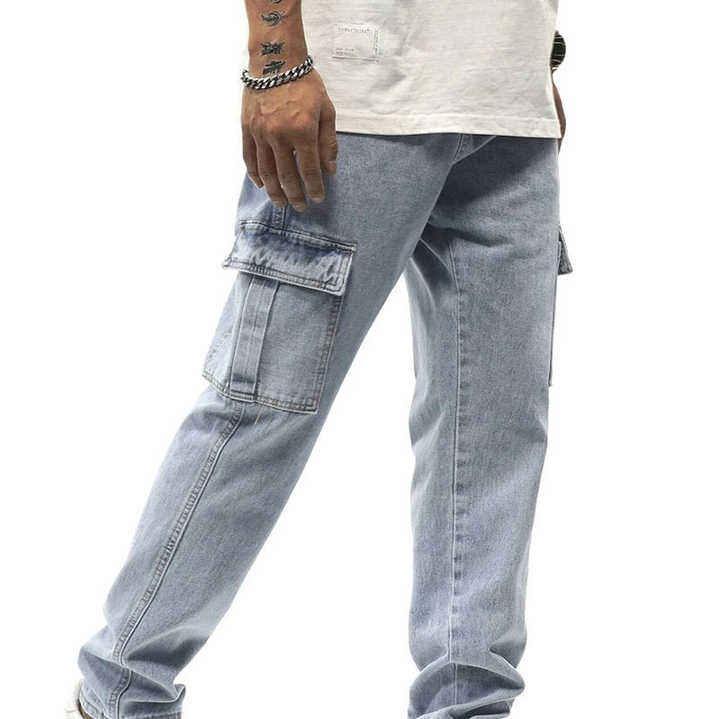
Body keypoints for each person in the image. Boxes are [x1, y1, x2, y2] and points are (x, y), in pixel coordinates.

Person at [67, 1, 572, 717]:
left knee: (497, 428)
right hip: (353, 103)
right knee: (264, 411)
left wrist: (532, 54)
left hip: (510, 113)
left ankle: (469, 704)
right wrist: (274, 59)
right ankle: (122, 691)